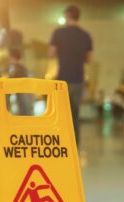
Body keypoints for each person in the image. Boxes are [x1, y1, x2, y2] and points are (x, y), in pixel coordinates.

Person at [49, 5, 92, 147]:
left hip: (62, 80)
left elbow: (51, 53)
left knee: (61, 113)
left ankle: (61, 143)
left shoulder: (58, 33)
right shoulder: (86, 35)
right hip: (78, 80)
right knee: (75, 114)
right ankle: (75, 145)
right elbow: (88, 59)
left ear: (67, 15)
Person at [6, 49, 33, 116]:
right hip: (24, 92)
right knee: (25, 110)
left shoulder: (14, 67)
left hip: (21, 92)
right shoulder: (23, 68)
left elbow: (11, 78)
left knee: (23, 109)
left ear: (12, 58)